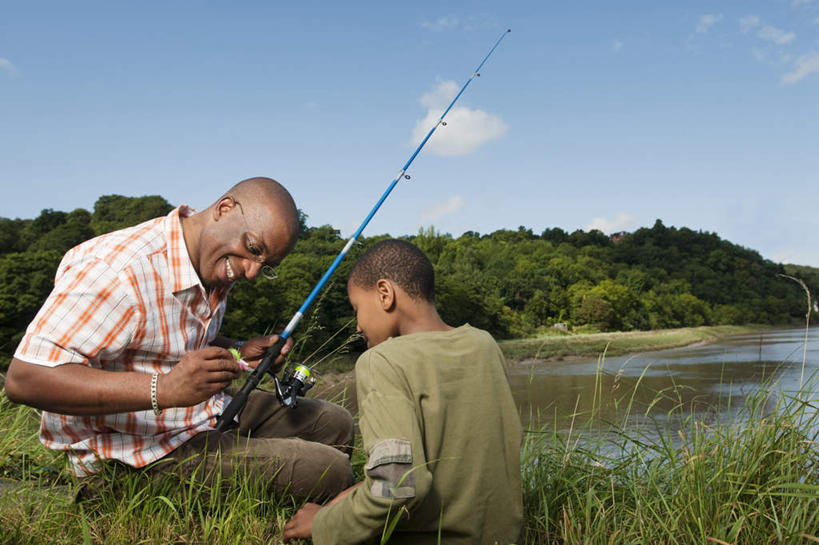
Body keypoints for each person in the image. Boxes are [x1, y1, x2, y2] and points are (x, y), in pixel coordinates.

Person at [4, 177, 354, 501]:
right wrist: (165, 389)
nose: (251, 272)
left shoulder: (212, 265)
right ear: (224, 208)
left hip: (196, 417)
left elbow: (171, 346)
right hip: (128, 457)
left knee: (334, 425)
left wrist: (238, 350)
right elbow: (26, 380)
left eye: (266, 264)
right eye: (252, 248)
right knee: (329, 470)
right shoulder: (116, 269)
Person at [283, 239, 523, 544]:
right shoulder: (484, 344)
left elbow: (398, 487)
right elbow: (455, 462)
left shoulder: (381, 361)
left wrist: (323, 523)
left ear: (385, 294)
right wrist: (357, 492)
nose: (357, 326)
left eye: (357, 308)